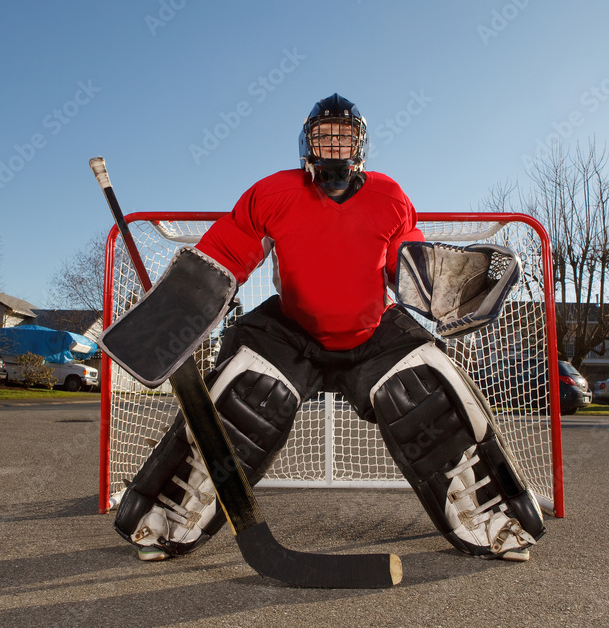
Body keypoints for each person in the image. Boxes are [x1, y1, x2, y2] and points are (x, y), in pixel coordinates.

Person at [109, 93, 545, 563]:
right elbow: (226, 252)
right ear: (307, 144)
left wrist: (452, 286)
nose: (334, 145)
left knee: (429, 393)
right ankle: (163, 517)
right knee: (244, 399)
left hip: (371, 332)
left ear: (361, 145)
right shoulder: (273, 193)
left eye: (344, 137)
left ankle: (496, 521)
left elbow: (407, 266)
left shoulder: (390, 196)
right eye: (325, 136)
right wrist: (173, 312)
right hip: (292, 332)